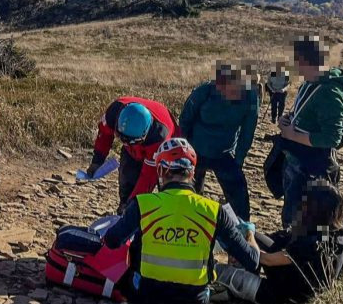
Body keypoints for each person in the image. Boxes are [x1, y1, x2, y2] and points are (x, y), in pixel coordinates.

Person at [102, 138, 260, 304]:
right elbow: (251, 260)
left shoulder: (143, 204)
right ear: (192, 173)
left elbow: (112, 241)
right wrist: (249, 233)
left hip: (148, 295)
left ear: (161, 170)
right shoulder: (214, 211)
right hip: (194, 298)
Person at [216, 180, 343, 303]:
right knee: (256, 239)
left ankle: (234, 291)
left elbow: (265, 259)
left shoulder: (311, 245)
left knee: (229, 268)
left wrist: (249, 234)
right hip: (308, 282)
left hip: (292, 297)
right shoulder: (341, 232)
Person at [277, 36, 343, 228]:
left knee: (307, 221)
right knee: (291, 214)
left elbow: (332, 138)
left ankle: (296, 255)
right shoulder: (310, 82)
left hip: (314, 168)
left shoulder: (331, 92)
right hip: (298, 161)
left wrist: (292, 135)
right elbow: (306, 115)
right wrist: (289, 120)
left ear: (305, 61)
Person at [178, 64, 259, 222]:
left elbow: (247, 133)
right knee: (190, 190)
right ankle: (189, 220)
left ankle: (242, 228)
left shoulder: (250, 97)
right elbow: (185, 120)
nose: (230, 94)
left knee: (238, 195)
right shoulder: (204, 92)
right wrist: (184, 151)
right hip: (197, 149)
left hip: (225, 151)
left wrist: (239, 159)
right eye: (225, 89)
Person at [86, 97, 178, 212]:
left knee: (168, 187)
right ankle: (124, 208)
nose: (125, 143)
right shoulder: (113, 113)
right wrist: (97, 161)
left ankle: (168, 214)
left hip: (169, 153)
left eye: (131, 141)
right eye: (121, 138)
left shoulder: (159, 137)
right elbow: (104, 135)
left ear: (144, 135)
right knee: (128, 174)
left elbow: (148, 177)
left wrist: (134, 203)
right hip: (138, 144)